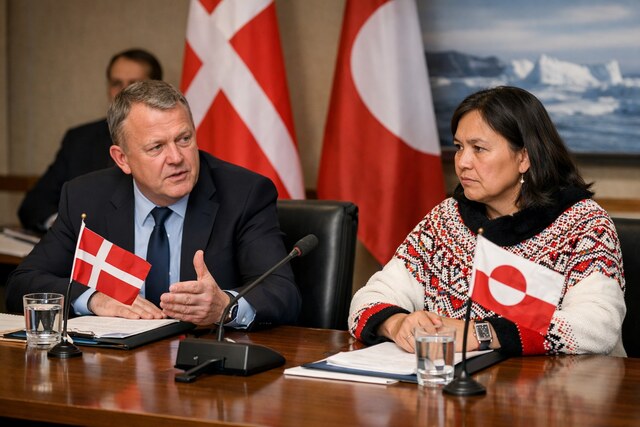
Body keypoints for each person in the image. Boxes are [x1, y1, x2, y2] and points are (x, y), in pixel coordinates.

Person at [349, 86, 626, 356]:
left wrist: (479, 333)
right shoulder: (445, 220)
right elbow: (367, 300)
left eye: (479, 149)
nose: (462, 162)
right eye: (459, 147)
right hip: (459, 392)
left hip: (564, 394)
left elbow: (597, 326)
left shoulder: (584, 224)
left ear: (524, 158)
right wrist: (397, 324)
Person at [6, 80, 301, 329]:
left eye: (184, 139)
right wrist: (95, 300)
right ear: (122, 159)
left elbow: (282, 293)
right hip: (117, 376)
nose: (176, 157)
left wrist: (226, 305)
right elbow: (24, 283)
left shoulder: (244, 194)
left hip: (206, 370)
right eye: (156, 147)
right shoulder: (86, 197)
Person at [18, 48, 163, 233]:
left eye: (134, 84)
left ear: (156, 90)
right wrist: (66, 227)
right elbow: (34, 205)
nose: (123, 91)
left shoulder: (170, 141)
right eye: (116, 83)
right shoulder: (79, 140)